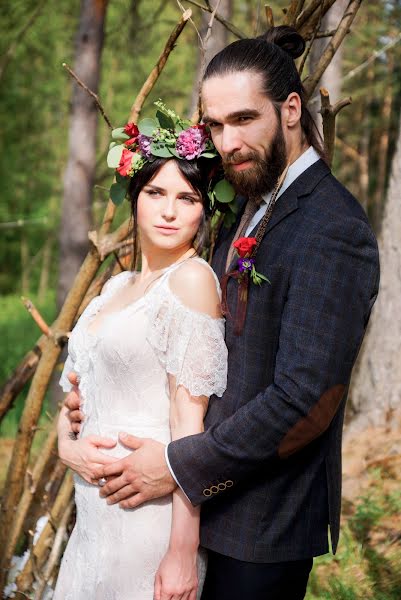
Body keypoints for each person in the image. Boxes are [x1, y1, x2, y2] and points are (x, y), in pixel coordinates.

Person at [66, 26, 380, 600]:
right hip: (193, 515)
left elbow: (306, 399)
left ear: (291, 110)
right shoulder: (247, 206)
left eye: (243, 119)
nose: (227, 141)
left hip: (261, 530)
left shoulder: (333, 228)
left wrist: (183, 465)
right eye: (214, 124)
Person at [54, 115, 229, 600]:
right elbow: (72, 391)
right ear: (134, 197)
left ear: (203, 211)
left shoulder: (190, 282)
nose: (169, 211)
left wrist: (181, 550)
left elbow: (188, 423)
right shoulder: (114, 287)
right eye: (156, 193)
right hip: (92, 521)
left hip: (147, 523)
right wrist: (67, 449)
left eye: (187, 198)